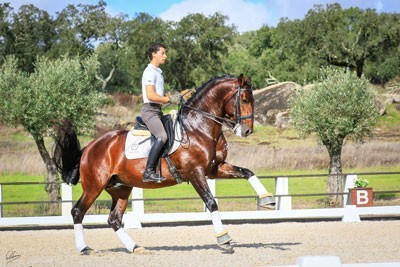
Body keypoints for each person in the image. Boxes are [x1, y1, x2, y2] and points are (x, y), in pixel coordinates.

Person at [141, 43, 180, 183]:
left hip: (157, 110)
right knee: (162, 136)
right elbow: (151, 95)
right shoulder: (150, 71)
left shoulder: (158, 72)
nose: (165, 56)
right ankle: (148, 172)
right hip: (149, 111)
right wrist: (169, 99)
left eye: (165, 53)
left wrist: (175, 97)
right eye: (162, 53)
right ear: (154, 54)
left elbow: (159, 96)